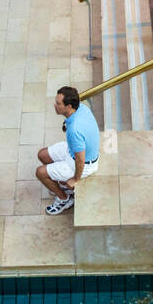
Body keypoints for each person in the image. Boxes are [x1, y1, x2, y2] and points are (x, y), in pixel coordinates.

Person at [35, 86, 100, 216]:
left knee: (40, 172)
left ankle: (64, 199)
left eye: (58, 103)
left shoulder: (74, 130)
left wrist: (75, 179)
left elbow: (80, 160)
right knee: (42, 155)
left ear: (69, 106)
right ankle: (60, 186)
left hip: (83, 163)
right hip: (72, 152)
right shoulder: (81, 108)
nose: (55, 105)